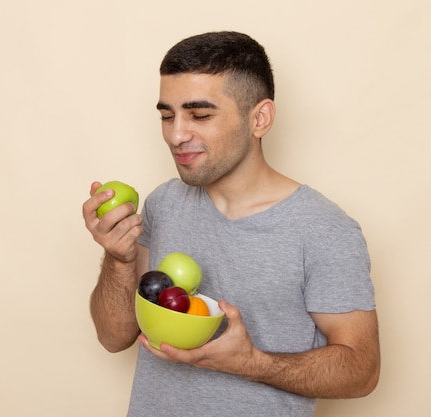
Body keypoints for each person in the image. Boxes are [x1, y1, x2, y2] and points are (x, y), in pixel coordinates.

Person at [82, 31, 380, 417]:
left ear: (259, 118)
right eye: (167, 115)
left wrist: (250, 362)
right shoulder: (164, 203)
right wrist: (118, 259)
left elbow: (362, 371)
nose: (175, 135)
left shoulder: (324, 230)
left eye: (200, 115)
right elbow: (113, 336)